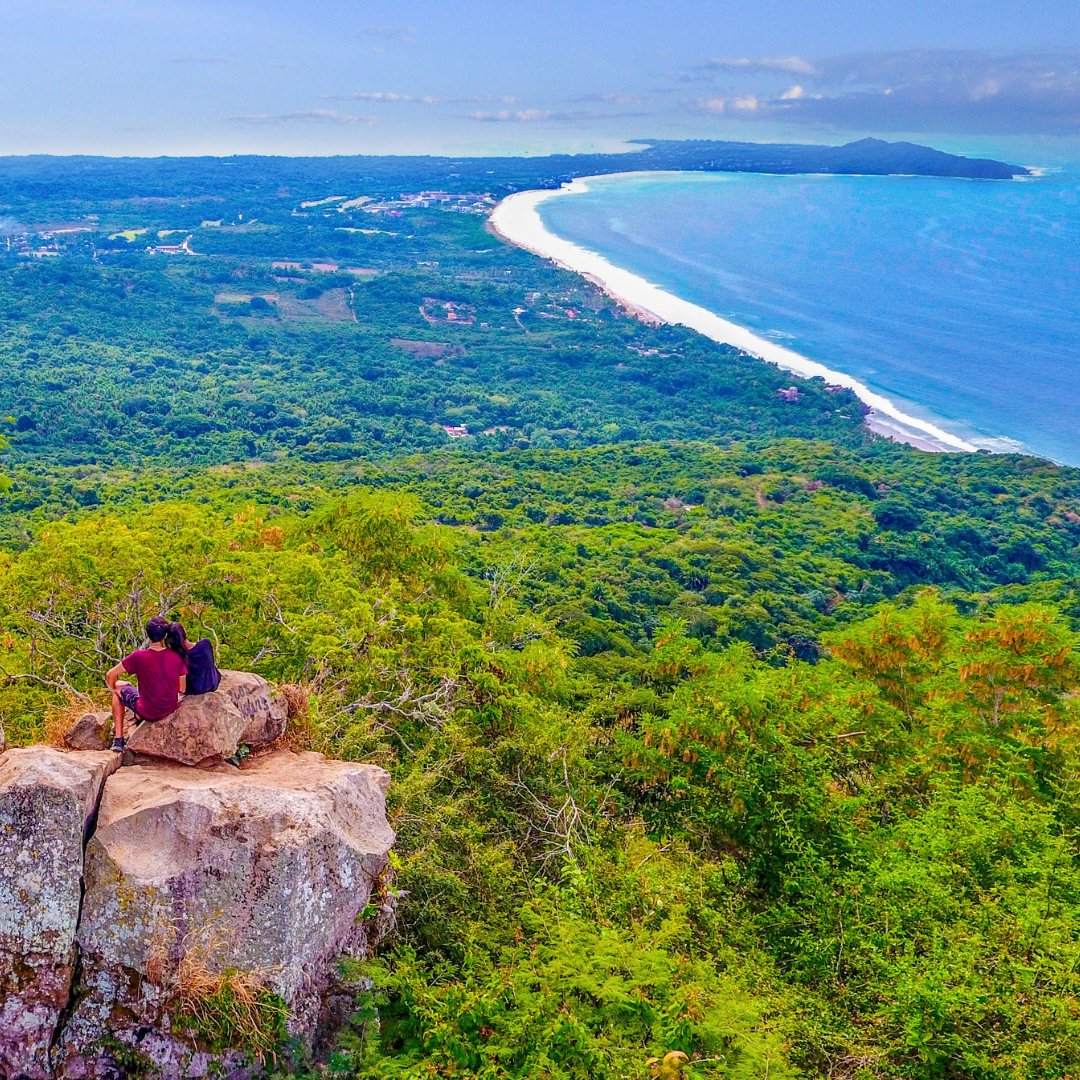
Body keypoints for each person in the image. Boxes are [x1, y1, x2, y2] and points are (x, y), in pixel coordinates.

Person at [105, 615, 187, 752]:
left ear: (148, 634)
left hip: (148, 710)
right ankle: (137, 716)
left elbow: (110, 674)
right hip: (169, 708)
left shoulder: (139, 657)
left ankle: (119, 740)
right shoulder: (177, 657)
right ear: (165, 635)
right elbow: (182, 688)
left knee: (119, 686)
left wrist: (114, 688)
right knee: (126, 687)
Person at [168, 621, 220, 695]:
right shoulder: (205, 644)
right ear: (184, 632)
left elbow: (181, 687)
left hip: (194, 690)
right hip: (212, 683)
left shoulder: (178, 656)